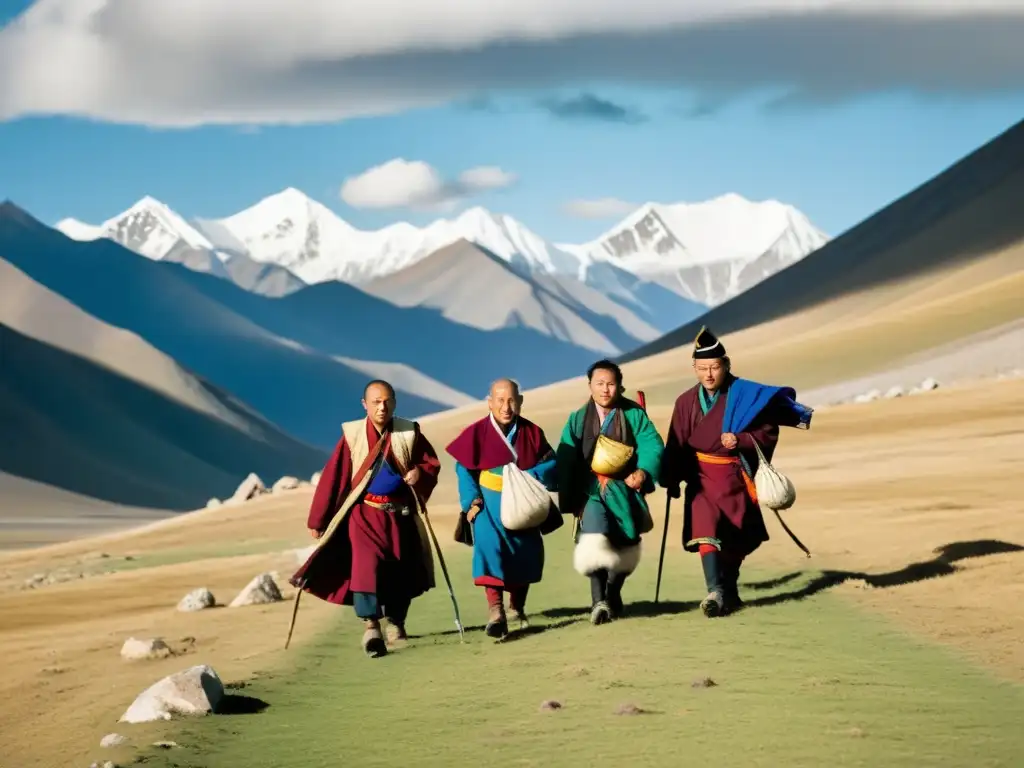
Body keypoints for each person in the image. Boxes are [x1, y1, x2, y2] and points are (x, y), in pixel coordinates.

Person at [659, 327, 813, 618]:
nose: (708, 375)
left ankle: (728, 589)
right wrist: (671, 478)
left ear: (727, 365)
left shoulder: (745, 395)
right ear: (694, 368)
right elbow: (676, 444)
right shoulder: (685, 402)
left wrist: (741, 440)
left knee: (736, 540)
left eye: (715, 367)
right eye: (702, 368)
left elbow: (767, 432)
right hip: (700, 480)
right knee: (706, 534)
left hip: (734, 479)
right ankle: (715, 592)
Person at [290, 380, 442, 658]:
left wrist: (419, 474)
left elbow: (429, 463)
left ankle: (396, 621)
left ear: (394, 402)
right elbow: (334, 477)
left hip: (400, 516)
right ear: (365, 405)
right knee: (365, 568)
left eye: (386, 401)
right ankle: (371, 627)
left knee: (400, 569)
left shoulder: (409, 432)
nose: (381, 407)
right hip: (365, 515)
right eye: (375, 402)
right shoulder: (353, 435)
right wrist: (318, 520)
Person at [445, 378, 560, 639]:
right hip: (489, 502)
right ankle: (495, 611)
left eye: (511, 400)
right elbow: (464, 468)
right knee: (488, 548)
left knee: (524, 553)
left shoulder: (531, 432)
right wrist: (471, 501)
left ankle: (516, 608)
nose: (505, 407)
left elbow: (552, 463)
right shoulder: (477, 432)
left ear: (520, 402)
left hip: (523, 502)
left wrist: (530, 474)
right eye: (500, 400)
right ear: (490, 402)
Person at [556, 359, 665, 625]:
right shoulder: (578, 419)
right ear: (590, 386)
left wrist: (644, 472)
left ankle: (613, 592)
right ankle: (598, 602)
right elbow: (566, 459)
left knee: (626, 544)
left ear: (620, 386)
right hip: (591, 491)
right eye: (600, 384)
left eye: (611, 384)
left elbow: (652, 444)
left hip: (624, 490)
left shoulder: (633, 414)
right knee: (594, 539)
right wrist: (571, 499)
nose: (605, 390)